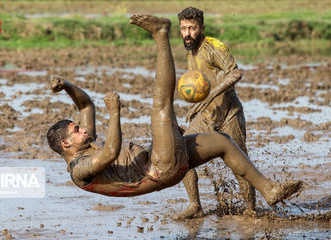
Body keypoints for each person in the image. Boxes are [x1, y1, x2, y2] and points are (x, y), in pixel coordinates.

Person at [47, 14, 302, 210]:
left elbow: (86, 106)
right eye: (76, 130)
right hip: (157, 170)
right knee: (160, 106)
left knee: (223, 142)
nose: (83, 128)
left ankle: (269, 190)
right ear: (66, 143)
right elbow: (112, 152)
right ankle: (160, 33)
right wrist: (115, 113)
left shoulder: (83, 144)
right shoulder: (79, 169)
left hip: (161, 162)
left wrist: (66, 85)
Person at [176, 7, 255, 219]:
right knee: (181, 151)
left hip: (229, 114)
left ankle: (251, 210)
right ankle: (195, 205)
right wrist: (197, 106)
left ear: (202, 27)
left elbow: (235, 73)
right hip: (206, 116)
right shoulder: (191, 52)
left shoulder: (214, 46)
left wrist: (210, 97)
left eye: (192, 28)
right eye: (184, 28)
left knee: (240, 164)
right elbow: (203, 84)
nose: (187, 33)